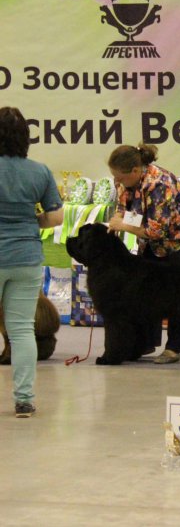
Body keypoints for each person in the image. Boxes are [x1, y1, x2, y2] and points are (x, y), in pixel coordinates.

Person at [106, 144, 180, 364]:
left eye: (120, 177)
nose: (117, 181)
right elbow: (123, 206)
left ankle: (174, 348)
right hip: (151, 234)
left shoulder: (159, 184)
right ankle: (144, 343)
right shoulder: (125, 179)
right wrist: (116, 221)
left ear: (135, 171)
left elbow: (156, 231)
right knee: (147, 288)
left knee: (176, 289)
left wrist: (124, 226)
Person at [0, 106, 64, 417]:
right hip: (26, 258)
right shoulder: (39, 171)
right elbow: (56, 216)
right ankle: (24, 399)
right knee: (22, 329)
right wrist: (31, 221)